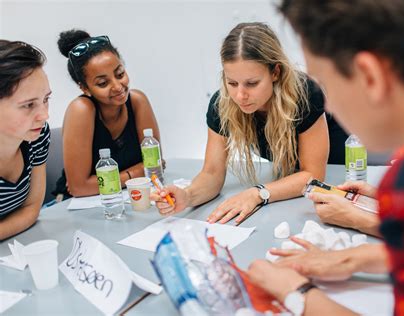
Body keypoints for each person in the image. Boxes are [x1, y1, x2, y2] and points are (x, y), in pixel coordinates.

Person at [248, 1, 404, 315]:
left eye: (325, 84)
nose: (328, 107)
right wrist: (353, 258)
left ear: (369, 76)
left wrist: (295, 293)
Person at [153, 22, 347, 224]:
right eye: (232, 83)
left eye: (252, 83)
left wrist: (257, 193)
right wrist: (188, 196)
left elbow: (313, 174)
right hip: (291, 180)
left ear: (275, 73)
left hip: (339, 173)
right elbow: (211, 173)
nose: (240, 95)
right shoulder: (222, 105)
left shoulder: (305, 94)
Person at [54, 30, 162, 199]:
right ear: (84, 88)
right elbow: (79, 188)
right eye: (103, 83)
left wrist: (104, 181)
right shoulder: (81, 110)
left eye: (120, 74)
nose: (118, 86)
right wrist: (135, 174)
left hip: (128, 197)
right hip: (79, 205)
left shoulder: (137, 101)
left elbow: (156, 165)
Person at [0, 40, 51, 240]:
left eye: (46, 99)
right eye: (29, 105)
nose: (44, 115)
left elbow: (31, 208)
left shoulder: (35, 137)